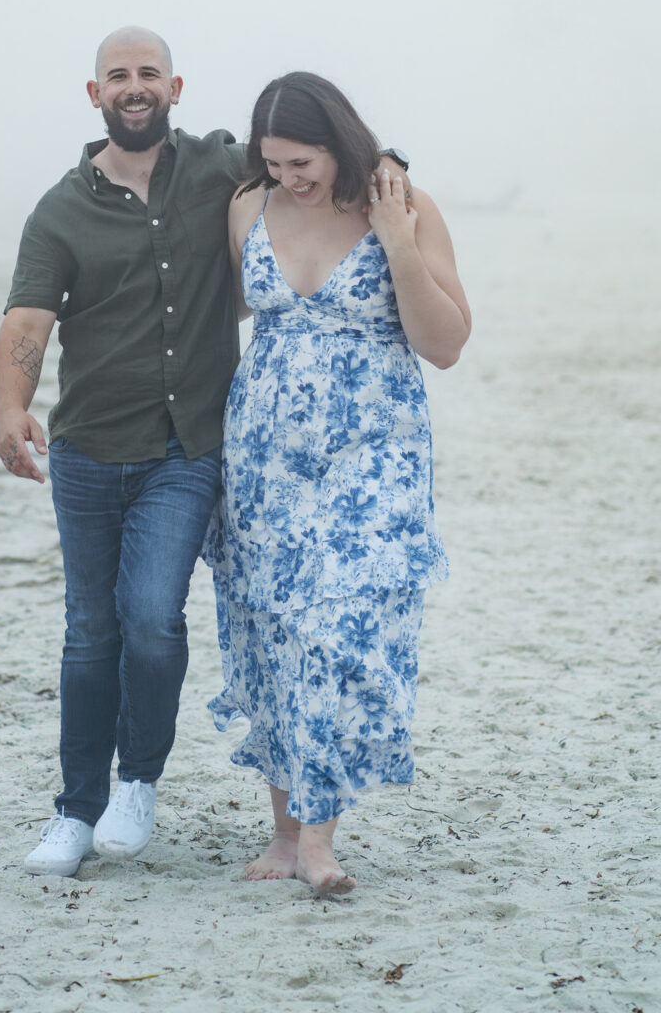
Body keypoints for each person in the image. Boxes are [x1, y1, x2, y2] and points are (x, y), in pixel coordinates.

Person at [205, 72, 471, 896]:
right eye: (276, 162)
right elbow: (221, 311)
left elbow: (446, 342)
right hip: (263, 459)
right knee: (275, 634)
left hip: (374, 456)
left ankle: (319, 840)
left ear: (340, 141)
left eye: (304, 160)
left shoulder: (403, 203)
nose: (291, 177)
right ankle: (286, 837)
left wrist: (394, 239)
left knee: (343, 630)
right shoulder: (247, 206)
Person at [0, 27, 245, 878]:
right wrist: (10, 408)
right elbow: (28, 319)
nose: (132, 87)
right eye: (117, 76)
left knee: (150, 617)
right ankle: (75, 811)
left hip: (187, 448)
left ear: (175, 87)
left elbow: (303, 158)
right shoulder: (61, 208)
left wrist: (383, 161)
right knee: (89, 631)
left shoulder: (219, 168)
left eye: (148, 74)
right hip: (90, 449)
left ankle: (137, 782)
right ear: (93, 93)